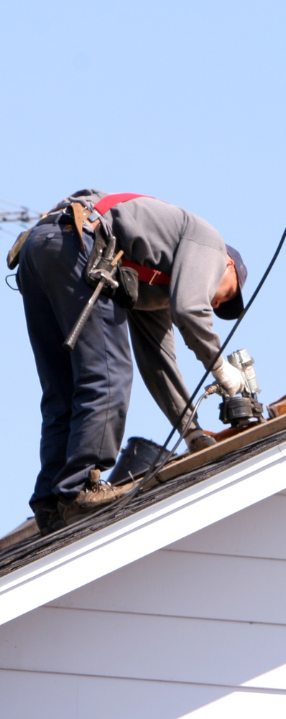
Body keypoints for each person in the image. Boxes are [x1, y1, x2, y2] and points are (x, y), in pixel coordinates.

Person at [16, 189, 250, 534]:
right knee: (109, 374)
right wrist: (221, 369)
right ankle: (81, 488)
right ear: (227, 263)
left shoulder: (154, 284)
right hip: (76, 242)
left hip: (42, 246)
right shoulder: (210, 245)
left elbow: (159, 362)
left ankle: (52, 504)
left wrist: (192, 433)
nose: (217, 303)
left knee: (64, 389)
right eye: (227, 293)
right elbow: (191, 310)